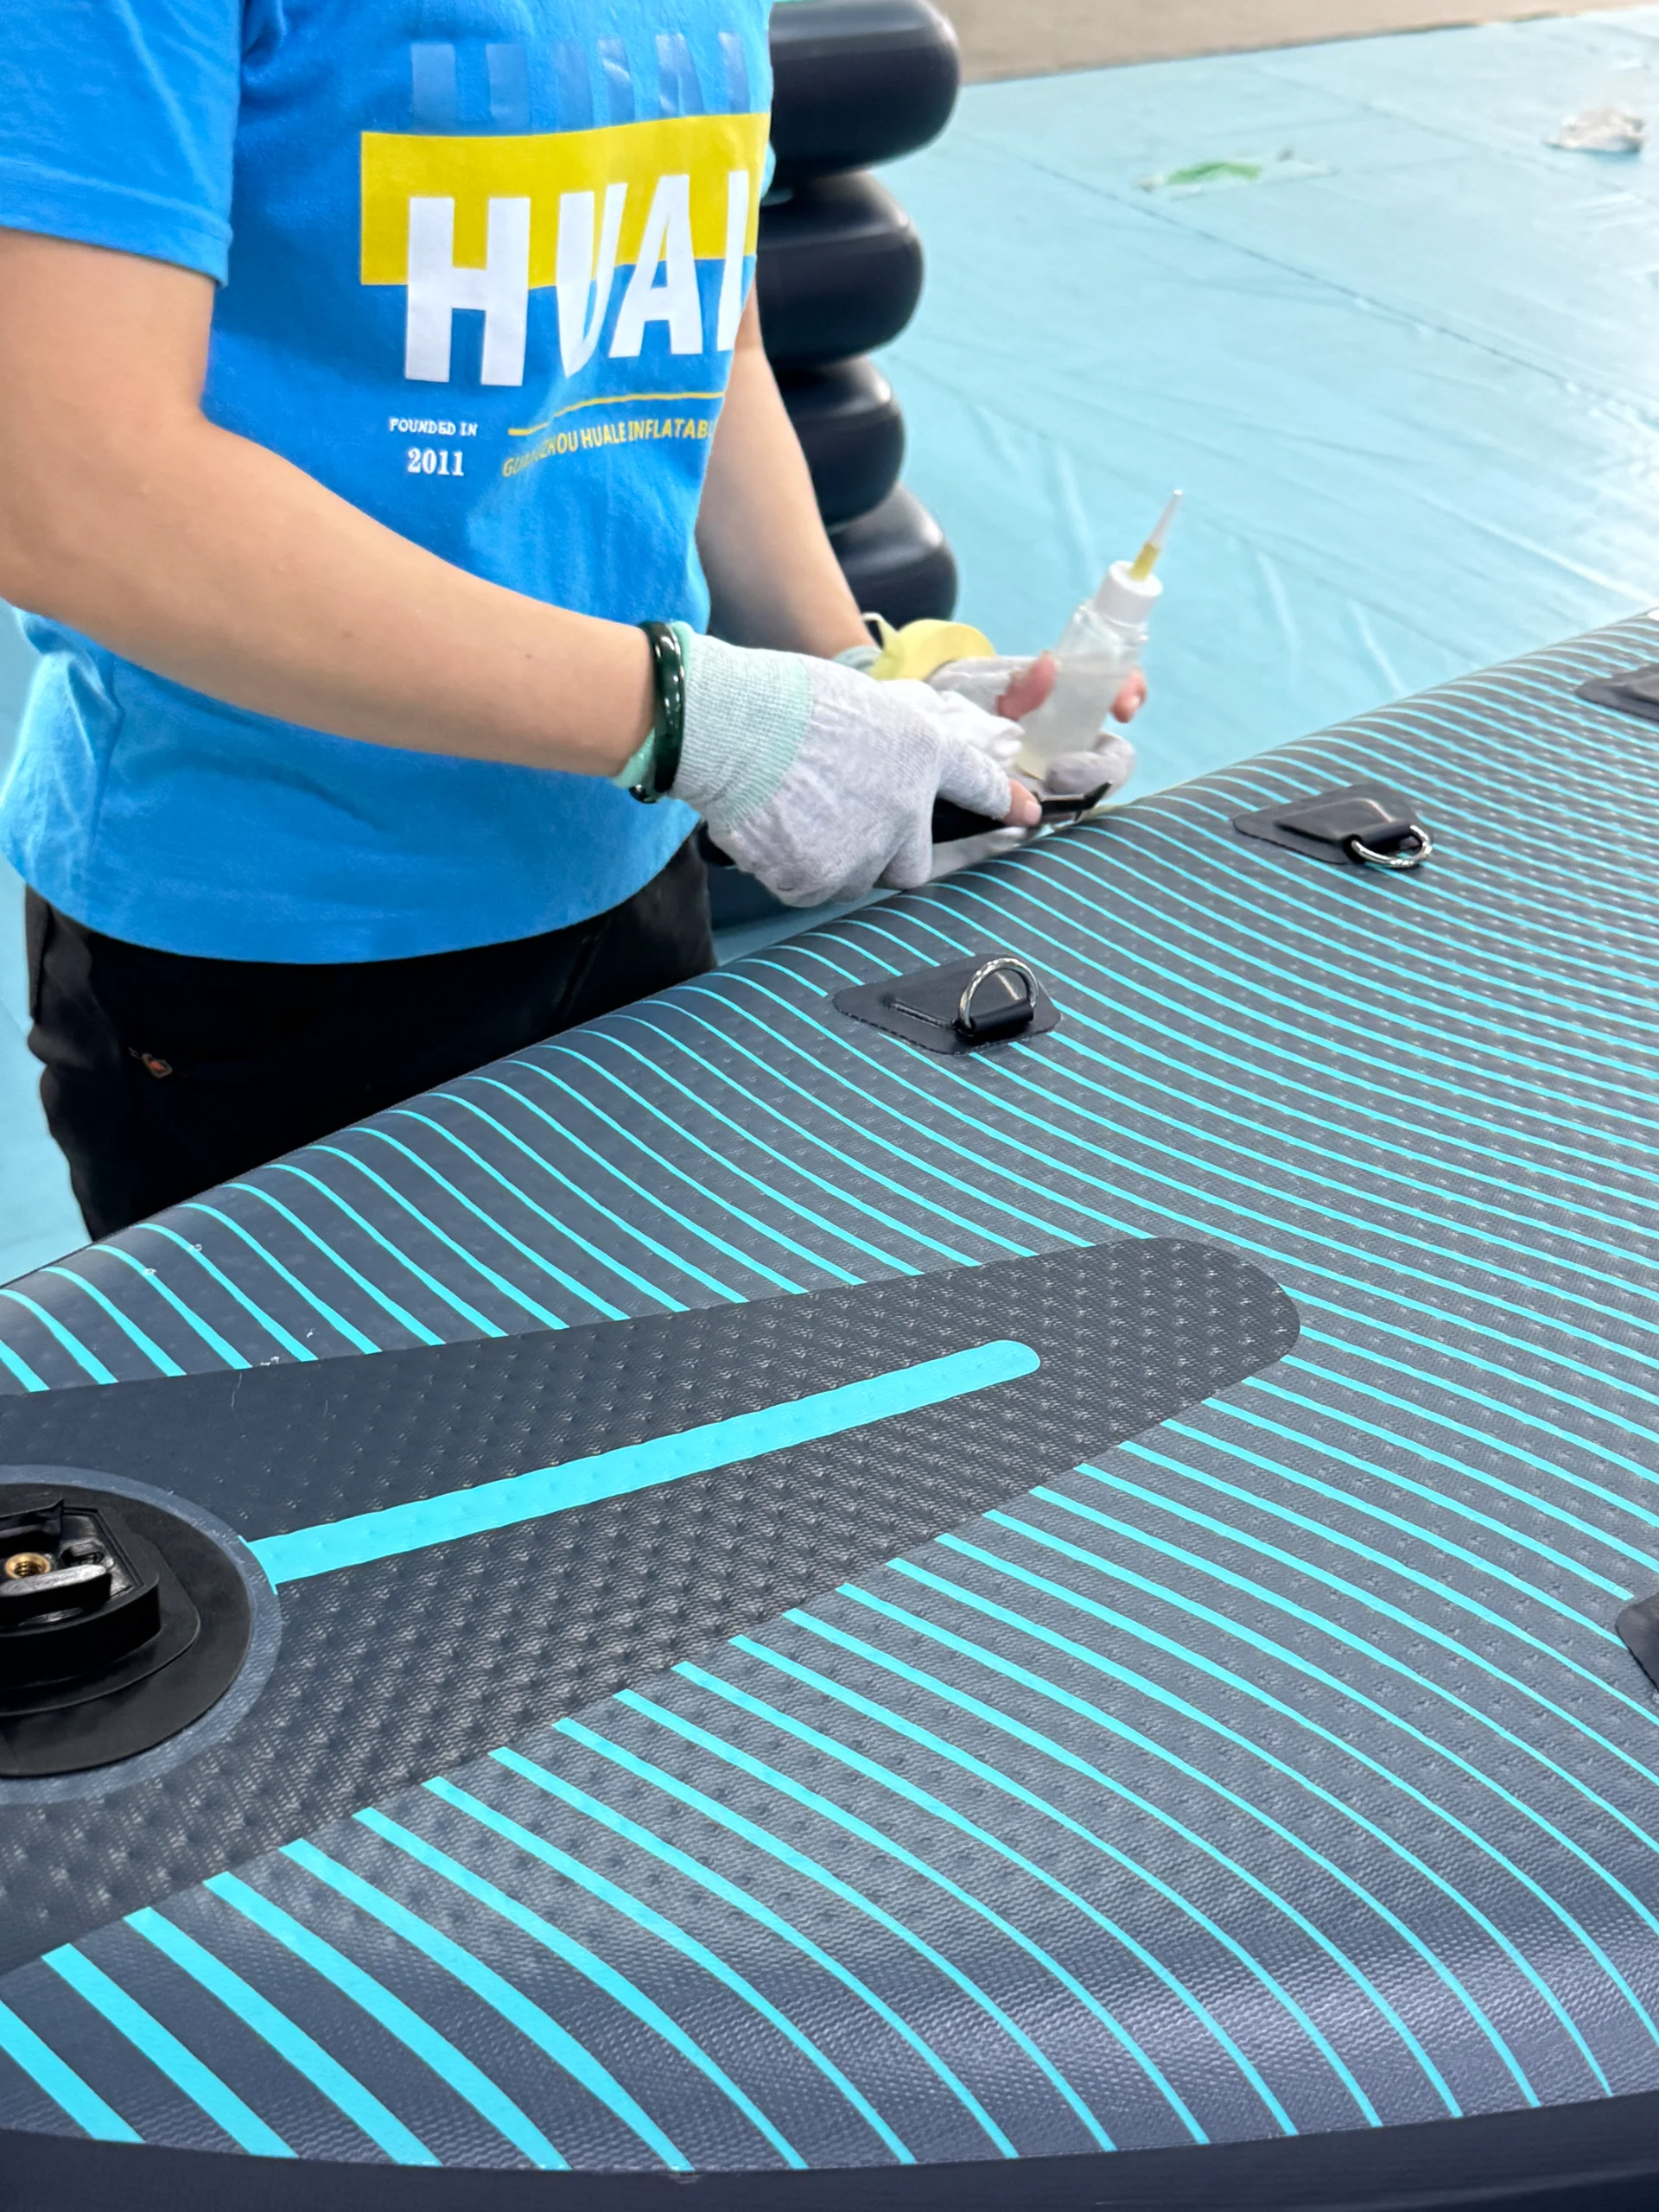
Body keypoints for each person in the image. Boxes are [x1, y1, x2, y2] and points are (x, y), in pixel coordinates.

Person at [0, 1, 1138, 1243]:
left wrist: (850, 690)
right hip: (275, 924)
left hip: (623, 850)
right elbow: (71, 489)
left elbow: (694, 319)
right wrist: (699, 717)